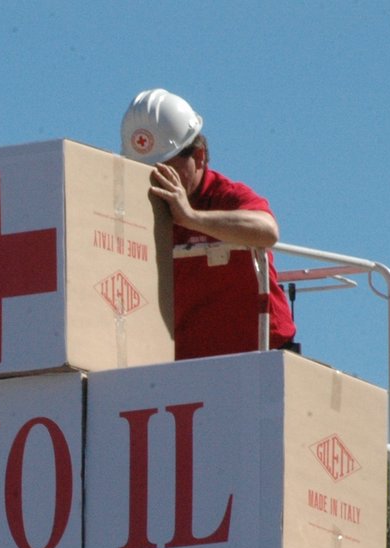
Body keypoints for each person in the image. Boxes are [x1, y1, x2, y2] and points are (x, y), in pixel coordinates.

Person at [120, 88, 297, 359]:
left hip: (259, 358)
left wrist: (191, 217)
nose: (155, 178)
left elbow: (267, 231)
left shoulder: (226, 196)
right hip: (182, 365)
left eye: (165, 168)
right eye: (145, 170)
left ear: (199, 156)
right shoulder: (137, 210)